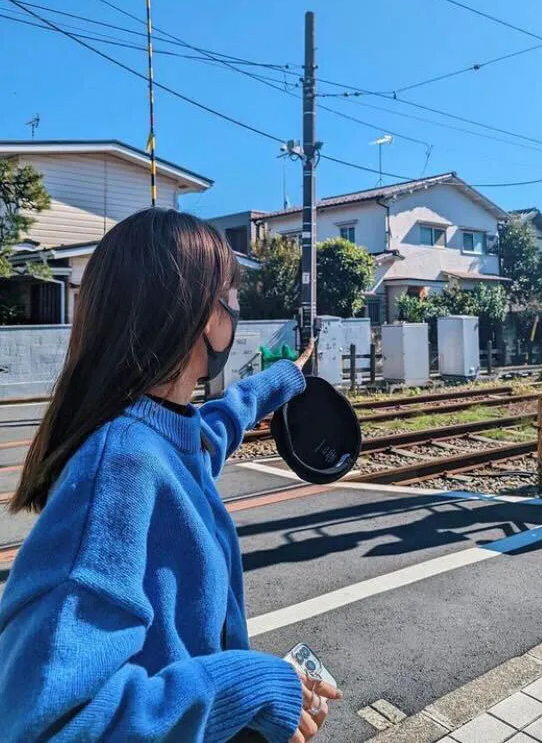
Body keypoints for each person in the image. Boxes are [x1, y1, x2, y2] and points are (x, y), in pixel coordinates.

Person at [0, 208, 340, 741]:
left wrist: (284, 380)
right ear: (205, 314)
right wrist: (251, 685)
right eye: (232, 296)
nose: (236, 310)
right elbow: (45, 724)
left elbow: (218, 425)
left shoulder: (166, 435)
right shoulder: (122, 465)